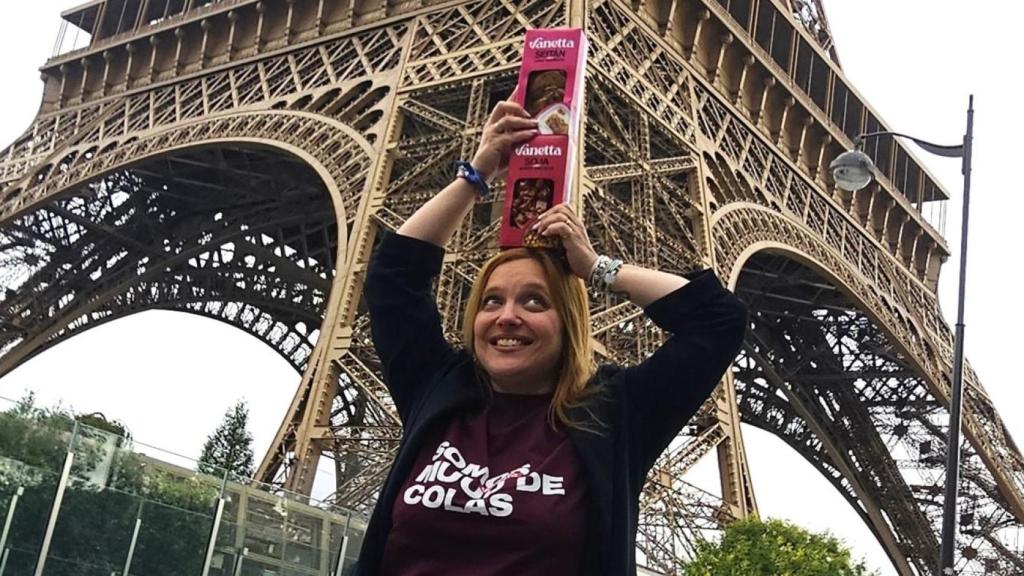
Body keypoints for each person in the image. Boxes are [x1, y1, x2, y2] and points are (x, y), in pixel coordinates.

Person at [353, 99, 748, 576]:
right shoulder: (436, 388)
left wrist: (597, 267)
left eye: (534, 302)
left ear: (569, 322)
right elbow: (392, 275)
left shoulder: (615, 415)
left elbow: (718, 321)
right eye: (491, 301)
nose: (507, 317)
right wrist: (476, 176)